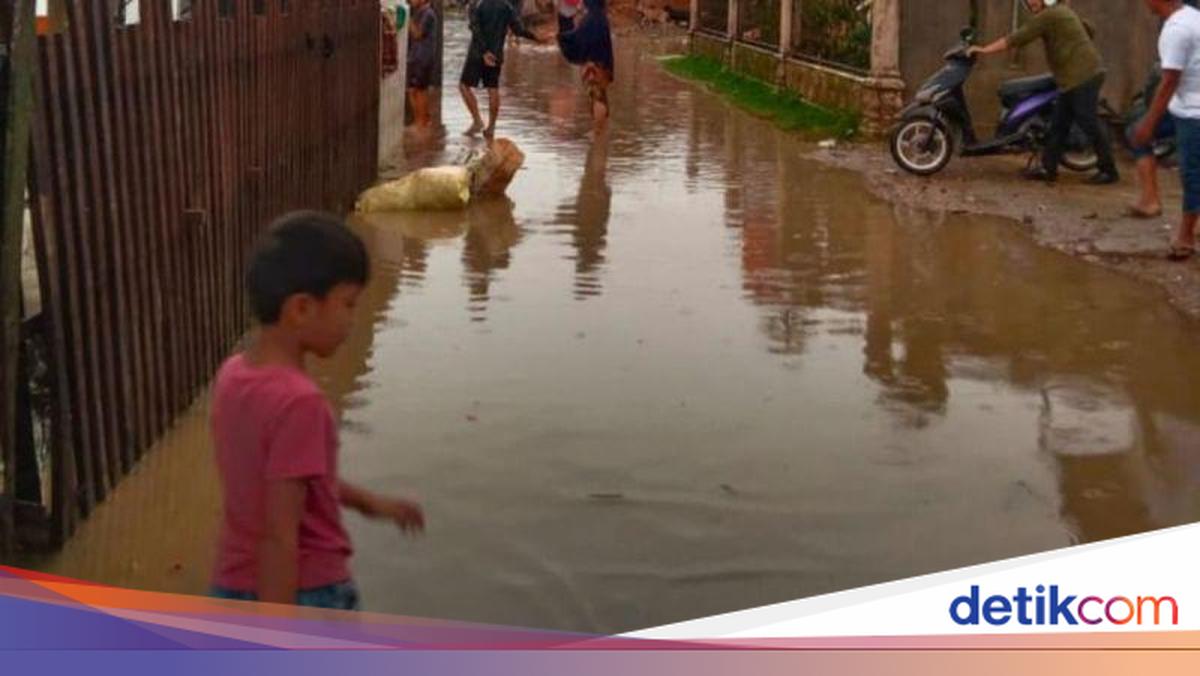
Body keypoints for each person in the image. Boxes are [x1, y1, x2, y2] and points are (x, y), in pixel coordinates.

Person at [209, 212, 425, 609]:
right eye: (348, 304)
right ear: (302, 309)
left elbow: (292, 478)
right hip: (304, 593)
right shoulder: (300, 404)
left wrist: (370, 503)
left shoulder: (232, 375)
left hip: (231, 585)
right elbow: (279, 535)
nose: (353, 321)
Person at [968, 0, 1120, 185]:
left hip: (1083, 76)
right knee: (1058, 125)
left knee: (1088, 122)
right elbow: (1089, 29)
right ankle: (1048, 169)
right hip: (1070, 79)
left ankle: (1109, 171)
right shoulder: (1061, 11)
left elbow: (1016, 38)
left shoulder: (1050, 15)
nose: (1030, 2)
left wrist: (984, 50)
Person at [1134, 0, 1200, 260]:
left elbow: (1170, 80)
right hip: (1181, 105)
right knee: (1135, 133)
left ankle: (1186, 237)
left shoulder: (1177, 29)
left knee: (1191, 174)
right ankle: (1150, 200)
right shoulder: (1190, 16)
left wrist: (1150, 122)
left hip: (1194, 112)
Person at [460, 0, 543, 137]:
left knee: (464, 86)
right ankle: (491, 127)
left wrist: (484, 51)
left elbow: (475, 29)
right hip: (496, 53)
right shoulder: (506, 6)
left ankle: (477, 120)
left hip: (477, 53)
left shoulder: (476, 4)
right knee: (493, 88)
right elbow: (519, 30)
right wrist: (536, 38)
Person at [557, 0, 614, 133]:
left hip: (592, 66)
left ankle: (598, 131)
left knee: (596, 96)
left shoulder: (589, 21)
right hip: (603, 64)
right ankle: (602, 130)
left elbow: (575, 39)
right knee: (601, 96)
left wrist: (561, 36)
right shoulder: (601, 19)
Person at [407, 0, 438, 128]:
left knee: (420, 91)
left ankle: (421, 123)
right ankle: (421, 121)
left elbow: (417, 34)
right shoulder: (422, 12)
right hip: (418, 57)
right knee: (414, 90)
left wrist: (407, 18)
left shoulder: (427, 14)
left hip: (423, 58)